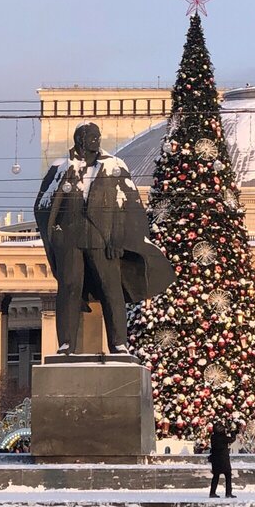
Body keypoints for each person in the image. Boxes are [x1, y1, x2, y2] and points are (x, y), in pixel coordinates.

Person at [34, 122, 173, 355]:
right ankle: (66, 344)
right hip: (69, 240)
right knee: (69, 288)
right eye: (91, 137)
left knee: (111, 289)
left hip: (103, 239)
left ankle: (118, 343)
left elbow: (129, 206)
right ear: (80, 140)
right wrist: (56, 235)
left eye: (98, 137)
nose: (96, 141)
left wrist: (120, 237)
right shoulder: (60, 168)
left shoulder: (114, 166)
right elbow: (43, 205)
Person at [207, 423, 235, 499]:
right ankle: (228, 493)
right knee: (228, 475)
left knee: (216, 476)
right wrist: (232, 431)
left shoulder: (213, 437)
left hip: (215, 459)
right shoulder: (223, 437)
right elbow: (232, 439)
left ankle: (212, 492)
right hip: (223, 459)